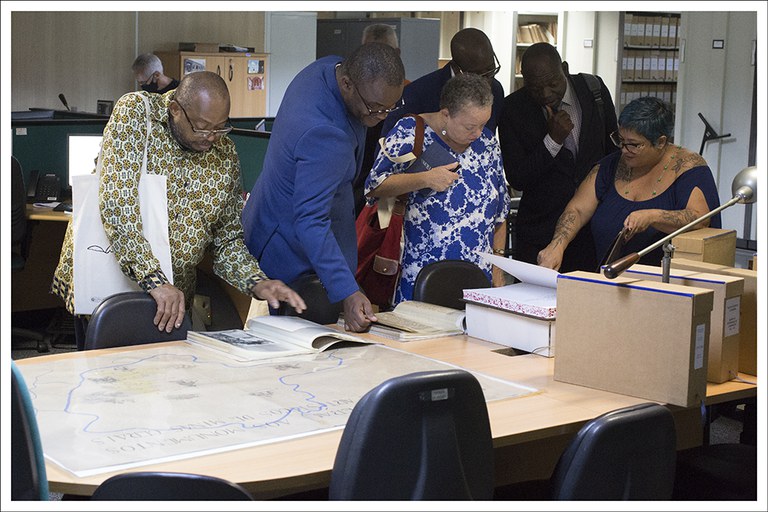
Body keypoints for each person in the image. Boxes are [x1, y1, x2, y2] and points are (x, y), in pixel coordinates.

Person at [52, 71, 305, 350]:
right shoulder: (136, 114)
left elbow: (227, 240)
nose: (212, 137)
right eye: (202, 126)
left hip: (173, 297)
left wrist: (257, 282)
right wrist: (154, 279)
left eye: (221, 127)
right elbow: (118, 204)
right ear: (175, 110)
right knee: (108, 380)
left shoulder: (225, 155)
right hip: (111, 283)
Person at [241, 42, 405, 333]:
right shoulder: (325, 134)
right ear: (347, 83)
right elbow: (311, 221)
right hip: (289, 245)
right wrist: (347, 292)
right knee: (296, 342)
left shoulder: (326, 67)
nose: (381, 117)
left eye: (390, 108)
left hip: (289, 216)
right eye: (375, 108)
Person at [365, 73, 510, 305]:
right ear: (446, 114)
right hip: (421, 273)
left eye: (484, 124)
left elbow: (500, 212)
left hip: (478, 277)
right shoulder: (411, 132)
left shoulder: (487, 143)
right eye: (470, 126)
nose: (478, 133)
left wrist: (498, 265)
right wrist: (425, 179)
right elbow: (374, 185)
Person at [537, 96, 722, 271]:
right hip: (608, 278)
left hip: (664, 283)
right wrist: (557, 245)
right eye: (621, 140)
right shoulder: (610, 165)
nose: (624, 150)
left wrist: (654, 216)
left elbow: (700, 218)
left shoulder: (688, 167)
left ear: (661, 142)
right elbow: (577, 210)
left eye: (633, 144)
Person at [497, 42, 618, 273]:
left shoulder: (594, 90)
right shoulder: (513, 109)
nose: (546, 94)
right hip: (541, 232)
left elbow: (612, 155)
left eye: (553, 84)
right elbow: (518, 178)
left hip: (592, 229)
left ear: (564, 68)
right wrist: (552, 141)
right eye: (535, 88)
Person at [379, 27, 505, 138]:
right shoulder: (417, 94)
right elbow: (388, 149)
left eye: (491, 70)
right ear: (457, 69)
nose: (487, 81)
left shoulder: (495, 90)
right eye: (479, 75)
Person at [355, 23, 410, 217]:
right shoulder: (350, 95)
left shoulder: (411, 95)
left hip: (389, 194)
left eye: (384, 53)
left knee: (379, 235)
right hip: (351, 187)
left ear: (397, 53)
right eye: (371, 53)